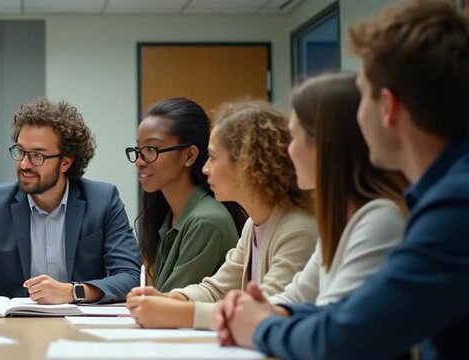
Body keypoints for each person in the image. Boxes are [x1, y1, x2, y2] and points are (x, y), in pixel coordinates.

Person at [216, 1, 469, 358]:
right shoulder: (442, 194)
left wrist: (261, 325)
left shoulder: (455, 206)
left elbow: (343, 338)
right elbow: (351, 312)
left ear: (388, 107)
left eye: (362, 95)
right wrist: (280, 312)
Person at [127, 101, 317, 330]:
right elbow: (215, 288)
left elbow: (265, 311)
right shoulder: (252, 226)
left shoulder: (297, 229)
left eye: (213, 158)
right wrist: (172, 299)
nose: (205, 168)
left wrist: (180, 312)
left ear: (247, 164)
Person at [0, 98, 140, 304]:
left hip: (82, 324)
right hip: (12, 326)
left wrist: (73, 292)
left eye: (37, 155)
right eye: (20, 152)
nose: (24, 164)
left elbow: (129, 276)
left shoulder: (103, 200)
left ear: (65, 162)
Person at [267, 72, 407, 308]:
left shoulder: (382, 220)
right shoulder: (340, 218)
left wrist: (257, 319)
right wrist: (240, 314)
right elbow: (295, 298)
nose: (287, 151)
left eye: (293, 138)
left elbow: (330, 322)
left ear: (324, 145)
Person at [126, 97, 240, 293]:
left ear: (189, 156)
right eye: (139, 149)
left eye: (151, 149)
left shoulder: (206, 221)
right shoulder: (169, 215)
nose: (139, 161)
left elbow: (169, 306)